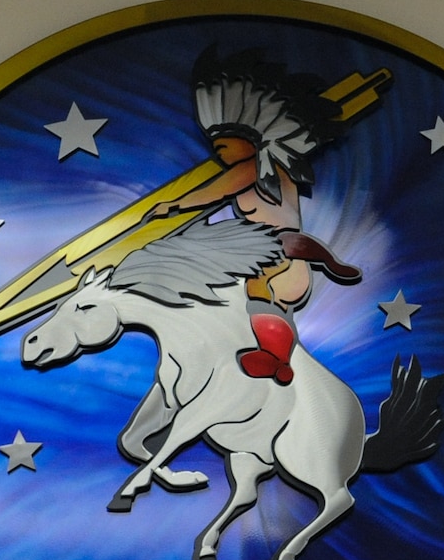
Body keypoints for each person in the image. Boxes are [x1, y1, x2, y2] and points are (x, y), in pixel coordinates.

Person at [142, 46, 364, 385]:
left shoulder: (254, 168)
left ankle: (274, 356)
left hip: (278, 247)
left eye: (223, 145)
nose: (218, 152)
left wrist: (174, 205)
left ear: (250, 140)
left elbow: (217, 191)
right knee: (255, 292)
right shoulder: (263, 168)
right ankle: (270, 354)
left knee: (258, 288)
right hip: (277, 248)